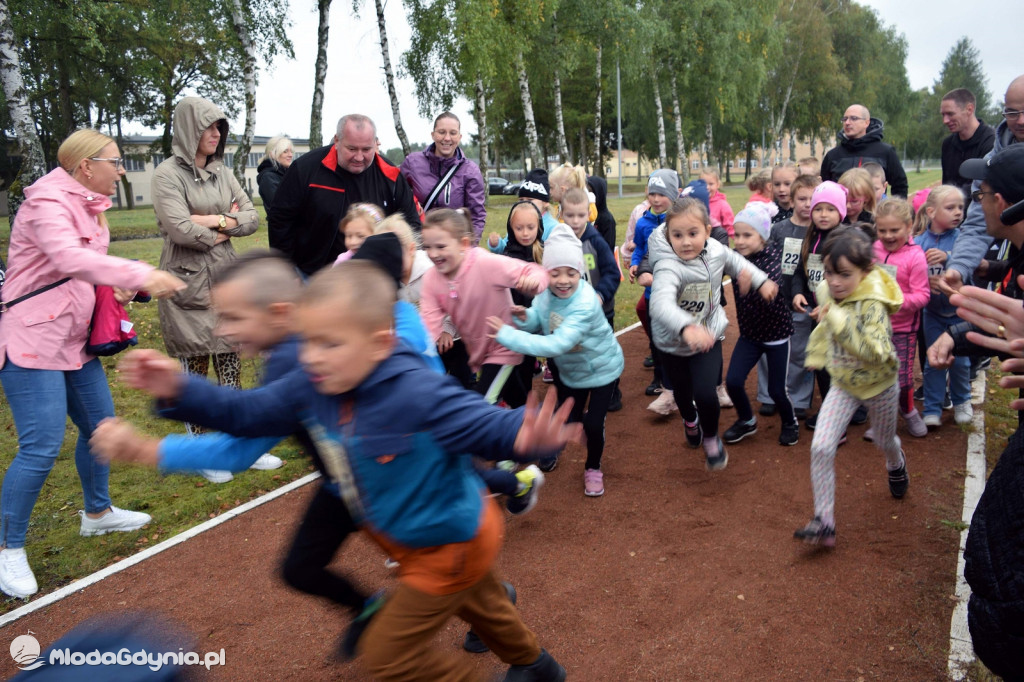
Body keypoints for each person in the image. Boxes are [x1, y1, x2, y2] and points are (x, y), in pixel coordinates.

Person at [92, 262, 575, 681]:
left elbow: (478, 419)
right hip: (411, 532)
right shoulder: (312, 379)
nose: (313, 357)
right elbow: (249, 414)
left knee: (387, 655)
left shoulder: (412, 389)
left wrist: (522, 433)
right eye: (309, 342)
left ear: (378, 344)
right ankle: (536, 665)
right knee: (482, 603)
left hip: (448, 538)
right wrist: (179, 386)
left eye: (330, 344)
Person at [0, 129, 185, 599]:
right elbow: (68, 257)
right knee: (41, 446)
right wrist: (141, 273)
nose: (121, 170)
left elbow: (78, 269)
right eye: (116, 161)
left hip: (74, 338)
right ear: (86, 166)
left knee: (101, 427)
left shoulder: (88, 203)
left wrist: (119, 287)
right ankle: (7, 547)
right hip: (32, 341)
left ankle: (98, 515)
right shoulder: (46, 202)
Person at [151, 96, 270, 484]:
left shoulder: (222, 171)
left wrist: (215, 219)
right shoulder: (167, 174)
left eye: (220, 127)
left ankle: (239, 442)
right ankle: (202, 450)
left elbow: (251, 218)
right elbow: (179, 228)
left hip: (225, 277)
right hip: (187, 280)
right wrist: (222, 228)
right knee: (196, 365)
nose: (216, 134)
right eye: (209, 127)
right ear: (190, 129)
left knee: (231, 362)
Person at [489, 224, 624, 496]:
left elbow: (556, 343)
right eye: (555, 273)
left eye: (571, 273)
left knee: (593, 424)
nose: (563, 280)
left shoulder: (585, 303)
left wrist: (508, 335)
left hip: (602, 369)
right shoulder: (545, 294)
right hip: (570, 372)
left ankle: (593, 467)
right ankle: (549, 450)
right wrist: (524, 320)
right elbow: (542, 317)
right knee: (565, 422)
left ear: (580, 272)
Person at [793, 226, 906, 547]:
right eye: (829, 273)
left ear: (866, 270)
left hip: (880, 385)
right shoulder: (828, 291)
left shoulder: (873, 306)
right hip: (843, 384)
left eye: (844, 274)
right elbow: (828, 321)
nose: (834, 282)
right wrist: (818, 347)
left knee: (884, 440)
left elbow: (877, 352)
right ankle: (824, 521)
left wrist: (839, 321)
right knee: (821, 446)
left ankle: (896, 463)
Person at [649, 197, 777, 471]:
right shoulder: (667, 266)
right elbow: (659, 303)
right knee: (683, 394)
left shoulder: (717, 250)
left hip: (708, 336)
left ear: (707, 231)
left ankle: (710, 437)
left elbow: (737, 263)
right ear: (668, 235)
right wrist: (685, 327)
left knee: (707, 393)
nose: (685, 242)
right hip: (674, 343)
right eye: (677, 235)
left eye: (693, 234)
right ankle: (690, 421)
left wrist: (761, 280)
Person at [419, 209, 548, 410]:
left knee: (482, 404)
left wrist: (533, 282)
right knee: (516, 399)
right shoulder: (431, 280)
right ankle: (533, 427)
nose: (433, 254)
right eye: (427, 247)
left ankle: (528, 430)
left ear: (462, 244)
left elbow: (531, 270)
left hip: (503, 345)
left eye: (441, 246)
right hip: (479, 352)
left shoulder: (484, 263)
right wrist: (427, 349)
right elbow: (428, 320)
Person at [268, 114, 421, 276]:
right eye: (352, 149)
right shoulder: (306, 169)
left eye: (367, 149)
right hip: (311, 275)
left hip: (371, 279)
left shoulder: (390, 175)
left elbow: (411, 224)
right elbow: (280, 220)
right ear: (337, 141)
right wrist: (286, 271)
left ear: (375, 144)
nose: (359, 157)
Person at [792, 181, 870, 432]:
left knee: (841, 363)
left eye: (830, 209)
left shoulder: (849, 238)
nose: (822, 215)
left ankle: (840, 416)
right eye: (818, 209)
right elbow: (798, 271)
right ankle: (839, 408)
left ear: (841, 212)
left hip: (841, 315)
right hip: (817, 314)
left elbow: (858, 280)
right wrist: (797, 293)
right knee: (824, 366)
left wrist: (833, 308)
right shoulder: (810, 236)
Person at [721, 202, 800, 447]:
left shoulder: (773, 258)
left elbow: (772, 295)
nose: (741, 241)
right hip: (750, 336)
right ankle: (747, 420)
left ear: (763, 237)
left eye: (748, 235)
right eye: (737, 235)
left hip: (776, 336)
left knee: (777, 391)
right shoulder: (735, 258)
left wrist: (750, 290)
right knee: (733, 382)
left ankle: (790, 422)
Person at [941, 75, 1024, 295]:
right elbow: (978, 223)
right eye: (1013, 112)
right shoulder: (991, 161)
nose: (1021, 120)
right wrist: (958, 268)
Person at [758, 174, 818, 420]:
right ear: (791, 201)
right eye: (802, 198)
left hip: (803, 303)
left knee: (801, 352)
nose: (807, 204)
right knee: (768, 350)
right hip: (775, 301)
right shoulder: (778, 229)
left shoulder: (819, 233)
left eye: (812, 199)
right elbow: (765, 258)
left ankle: (799, 398)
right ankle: (768, 395)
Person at [870, 198, 930, 438]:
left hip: (903, 329)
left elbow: (923, 296)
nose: (887, 235)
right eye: (882, 230)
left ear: (909, 226)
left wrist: (894, 302)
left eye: (894, 230)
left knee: (903, 380)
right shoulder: (874, 250)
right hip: (874, 328)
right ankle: (881, 421)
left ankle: (909, 411)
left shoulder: (915, 257)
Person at [559, 188, 622, 411]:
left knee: (603, 354)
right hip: (571, 313)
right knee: (574, 353)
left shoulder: (595, 241)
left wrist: (600, 295)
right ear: (561, 214)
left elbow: (613, 273)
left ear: (589, 214)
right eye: (570, 215)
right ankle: (571, 395)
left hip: (600, 312)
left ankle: (612, 391)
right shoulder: (557, 241)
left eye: (580, 215)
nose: (575, 221)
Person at [914, 185, 970, 428]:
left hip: (960, 312)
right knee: (934, 360)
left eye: (961, 207)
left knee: (961, 361)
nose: (958, 212)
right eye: (951, 208)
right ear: (931, 212)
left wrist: (948, 258)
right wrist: (925, 281)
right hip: (933, 313)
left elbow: (970, 268)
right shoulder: (918, 242)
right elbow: (909, 274)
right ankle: (933, 407)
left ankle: (962, 401)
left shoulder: (963, 239)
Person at [629, 170, 679, 406]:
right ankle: (660, 378)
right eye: (652, 194)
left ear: (673, 194)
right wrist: (635, 264)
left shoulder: (680, 220)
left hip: (678, 293)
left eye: (662, 194)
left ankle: (683, 378)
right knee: (657, 339)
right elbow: (639, 248)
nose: (656, 199)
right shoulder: (643, 222)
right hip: (652, 292)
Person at [399, 112, 486, 243]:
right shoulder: (412, 163)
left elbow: (476, 215)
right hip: (418, 243)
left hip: (452, 246)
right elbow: (398, 196)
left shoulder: (470, 171)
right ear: (433, 135)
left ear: (459, 136)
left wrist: (469, 249)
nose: (447, 138)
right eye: (441, 132)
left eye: (453, 133)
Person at [821, 104, 908, 198]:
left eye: (853, 118)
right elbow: (824, 188)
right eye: (845, 119)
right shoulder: (832, 155)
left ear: (866, 123)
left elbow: (900, 186)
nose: (847, 122)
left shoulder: (885, 152)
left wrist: (894, 210)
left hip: (875, 212)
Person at [940, 88, 997, 198]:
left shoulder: (991, 142)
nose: (945, 120)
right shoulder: (947, 144)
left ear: (969, 109)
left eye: (950, 114)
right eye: (943, 115)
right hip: (953, 210)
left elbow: (983, 187)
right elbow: (946, 185)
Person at [256, 135, 294, 208]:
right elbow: (282, 206)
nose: (290, 155)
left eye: (291, 151)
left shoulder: (286, 174)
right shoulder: (268, 177)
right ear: (273, 154)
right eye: (285, 152)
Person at [701, 167, 735, 237]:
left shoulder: (722, 205)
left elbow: (730, 226)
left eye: (711, 184)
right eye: (703, 184)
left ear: (718, 185)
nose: (707, 187)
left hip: (718, 242)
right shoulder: (696, 202)